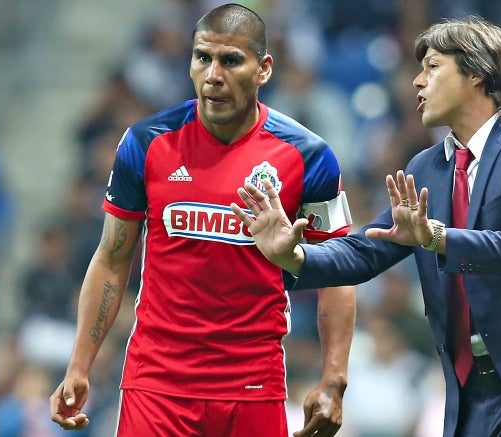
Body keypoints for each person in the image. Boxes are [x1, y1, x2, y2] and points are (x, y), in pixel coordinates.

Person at [233, 16, 501, 436]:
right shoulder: (427, 167)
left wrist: (436, 237)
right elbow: (368, 248)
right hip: (469, 393)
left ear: (477, 72)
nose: (416, 82)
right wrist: (293, 255)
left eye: (432, 67)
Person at [49, 4, 355, 437]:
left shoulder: (309, 157)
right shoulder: (145, 143)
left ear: (264, 68)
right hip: (157, 387)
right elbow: (112, 259)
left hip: (252, 386)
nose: (214, 74)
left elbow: (338, 272)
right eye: (202, 57)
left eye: (231, 60)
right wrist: (80, 365)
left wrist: (333, 380)